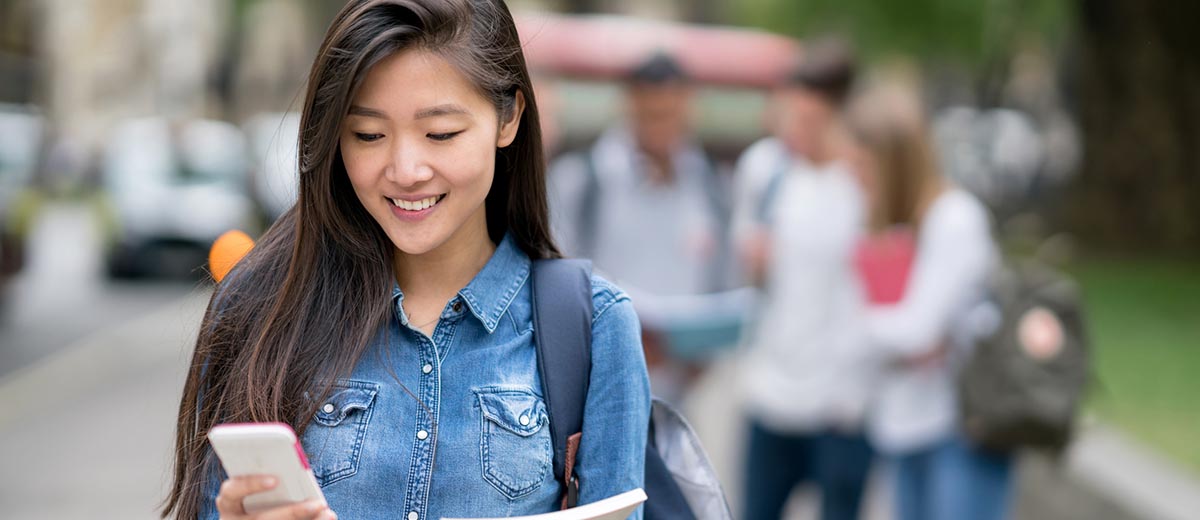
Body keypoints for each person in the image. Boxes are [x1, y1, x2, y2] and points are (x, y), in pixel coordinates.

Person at [160, 1, 650, 519]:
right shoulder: (260, 308)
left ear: (509, 118)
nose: (405, 170)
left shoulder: (595, 327)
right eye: (368, 135)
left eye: (440, 133)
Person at [844, 84, 1012, 520]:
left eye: (864, 166)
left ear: (894, 164)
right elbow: (911, 336)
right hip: (907, 423)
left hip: (963, 429)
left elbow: (919, 329)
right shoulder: (894, 228)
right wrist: (897, 336)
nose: (856, 179)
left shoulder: (955, 220)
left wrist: (859, 326)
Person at [731, 42, 876, 520]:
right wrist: (755, 259)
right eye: (794, 116)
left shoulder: (863, 183)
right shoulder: (764, 171)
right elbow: (746, 275)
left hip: (842, 400)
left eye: (813, 121)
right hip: (770, 389)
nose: (800, 131)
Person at [547, 52, 729, 402]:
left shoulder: (708, 185)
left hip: (678, 396)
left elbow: (720, 277)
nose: (662, 129)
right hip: (599, 388)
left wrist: (703, 349)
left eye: (672, 116)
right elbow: (557, 279)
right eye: (652, 116)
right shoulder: (583, 181)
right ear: (629, 106)